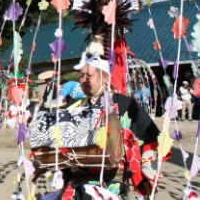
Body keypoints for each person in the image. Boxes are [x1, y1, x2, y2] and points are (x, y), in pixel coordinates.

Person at [51, 53, 169, 199]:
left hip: (112, 186)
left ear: (105, 78)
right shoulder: (72, 108)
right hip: (76, 187)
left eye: (89, 75)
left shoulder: (125, 105)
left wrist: (147, 167)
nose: (84, 80)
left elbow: (149, 140)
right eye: (81, 76)